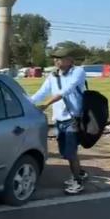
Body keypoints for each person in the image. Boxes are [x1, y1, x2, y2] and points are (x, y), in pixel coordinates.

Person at [30, 45, 89, 195]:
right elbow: (41, 92)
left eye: (60, 58)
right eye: (55, 58)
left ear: (70, 60)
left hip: (73, 118)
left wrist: (47, 104)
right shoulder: (53, 76)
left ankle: (78, 181)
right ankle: (80, 173)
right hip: (60, 118)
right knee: (65, 151)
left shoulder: (78, 72)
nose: (56, 61)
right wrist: (27, 102)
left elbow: (66, 91)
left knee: (71, 152)